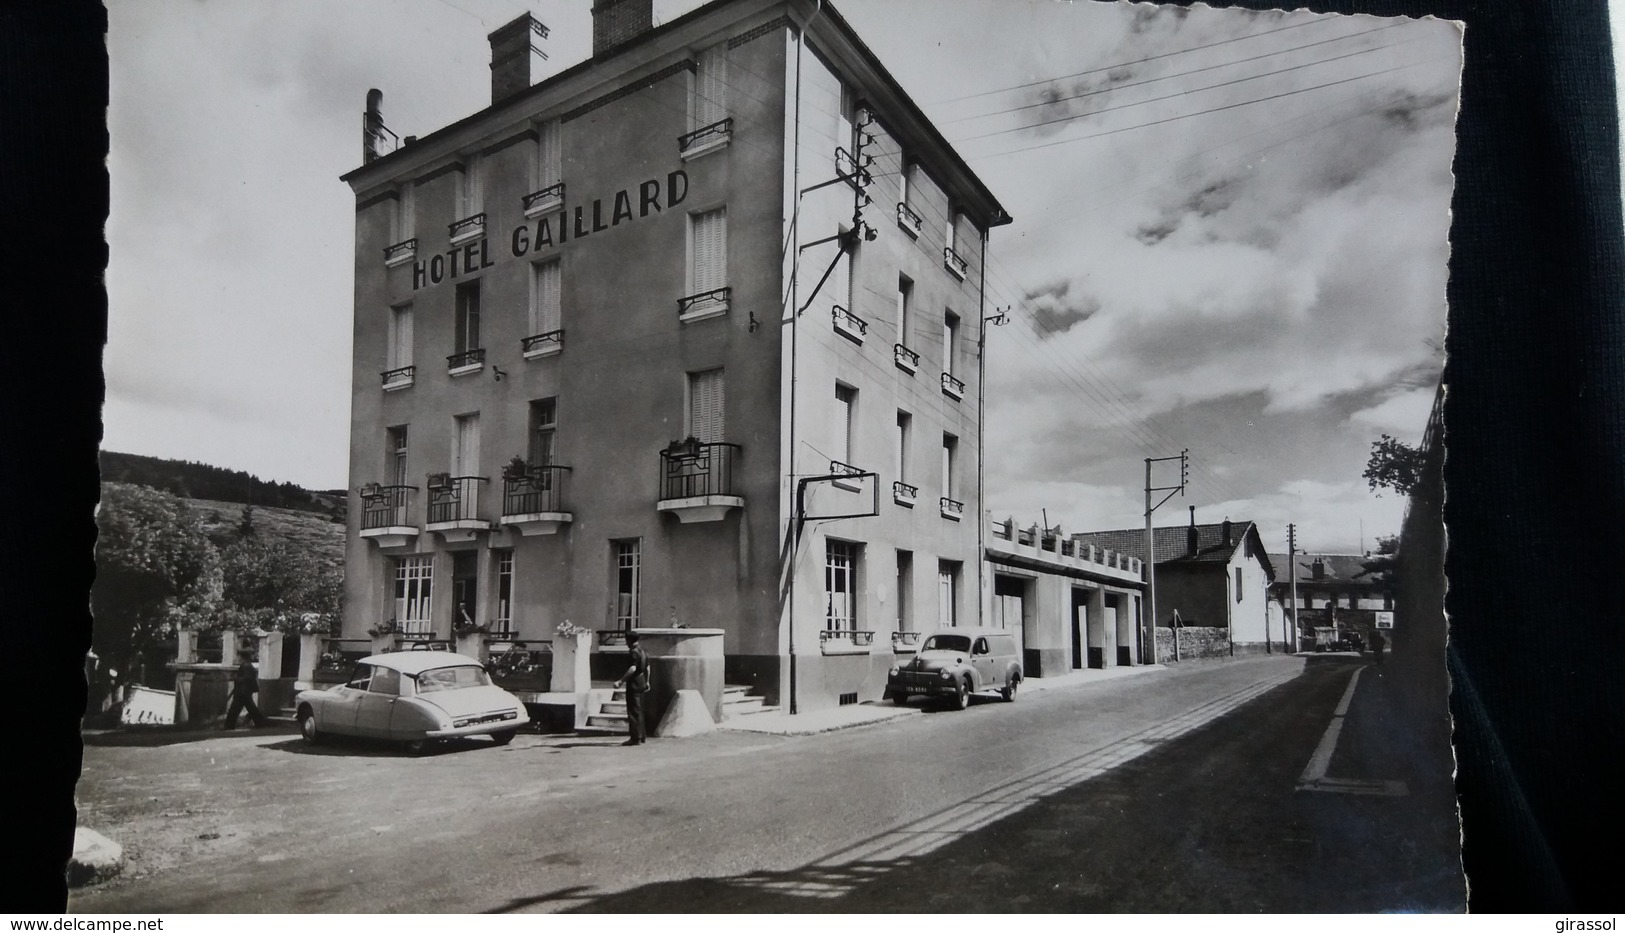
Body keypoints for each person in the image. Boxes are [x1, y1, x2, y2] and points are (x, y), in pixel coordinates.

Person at [611, 632, 650, 746]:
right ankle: (642, 736)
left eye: (626, 640)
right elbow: (647, 667)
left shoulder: (633, 652)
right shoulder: (643, 651)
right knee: (640, 710)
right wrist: (647, 681)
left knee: (633, 711)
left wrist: (621, 681)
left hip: (634, 682)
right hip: (641, 681)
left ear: (629, 640)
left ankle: (635, 738)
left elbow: (632, 668)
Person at [224, 653, 267, 729]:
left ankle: (229, 725)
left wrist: (236, 678)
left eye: (239, 657)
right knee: (250, 708)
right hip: (244, 691)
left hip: (242, 691)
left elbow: (247, 678)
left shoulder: (247, 666)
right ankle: (261, 722)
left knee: (234, 709)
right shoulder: (247, 665)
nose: (238, 659)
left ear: (243, 658)